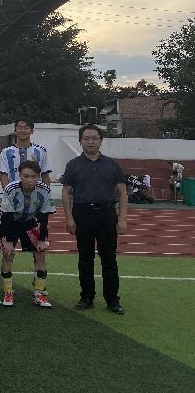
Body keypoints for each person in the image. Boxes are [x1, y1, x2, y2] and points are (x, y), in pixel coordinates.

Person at [61, 124, 128, 315]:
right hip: (83, 214)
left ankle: (112, 300)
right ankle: (87, 297)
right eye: (86, 138)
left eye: (94, 138)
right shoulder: (73, 165)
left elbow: (122, 193)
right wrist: (69, 217)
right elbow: (66, 192)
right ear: (80, 141)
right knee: (85, 258)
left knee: (109, 258)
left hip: (107, 214)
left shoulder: (112, 164)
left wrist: (122, 219)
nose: (90, 141)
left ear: (100, 141)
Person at [0, 160, 55, 308]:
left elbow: (44, 217)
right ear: (20, 175)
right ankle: (8, 292)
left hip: (31, 222)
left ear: (38, 176)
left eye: (33, 176)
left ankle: (39, 293)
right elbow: (6, 217)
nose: (29, 180)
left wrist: (42, 239)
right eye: (26, 176)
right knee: (8, 254)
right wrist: (8, 241)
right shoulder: (10, 189)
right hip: (12, 222)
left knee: (40, 254)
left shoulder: (44, 190)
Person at [0, 119, 52, 187]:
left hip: (36, 192)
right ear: (15, 131)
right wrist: (8, 191)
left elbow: (45, 174)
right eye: (20, 127)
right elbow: (3, 175)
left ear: (32, 131)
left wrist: (46, 191)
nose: (23, 130)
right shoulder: (6, 152)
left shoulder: (40, 151)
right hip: (13, 192)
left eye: (26, 128)